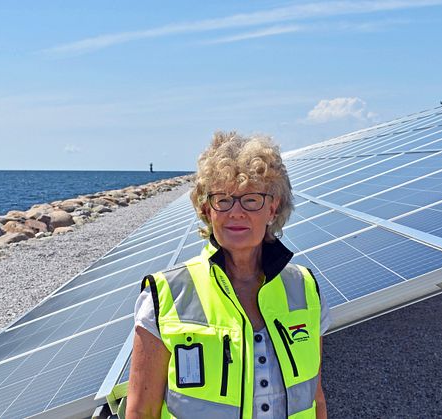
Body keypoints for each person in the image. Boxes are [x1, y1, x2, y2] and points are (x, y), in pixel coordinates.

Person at [126, 132, 331, 418]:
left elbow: (316, 399)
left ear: (273, 208)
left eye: (251, 199)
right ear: (207, 209)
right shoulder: (165, 296)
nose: (236, 212)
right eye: (223, 199)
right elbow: (141, 412)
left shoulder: (305, 289)